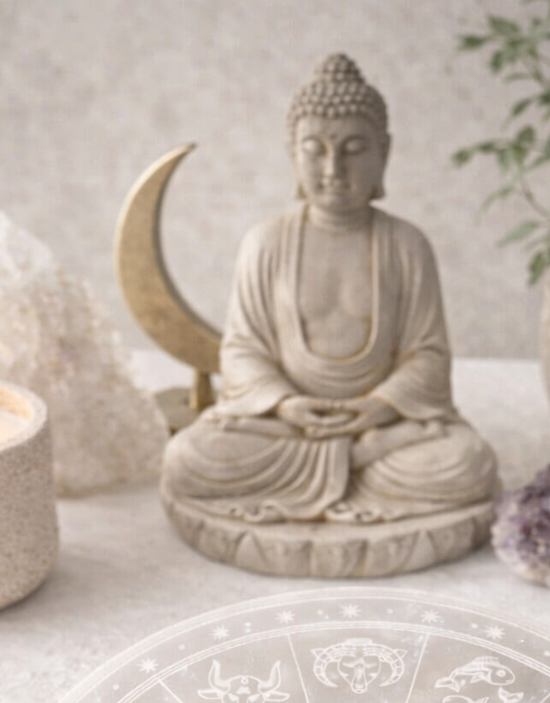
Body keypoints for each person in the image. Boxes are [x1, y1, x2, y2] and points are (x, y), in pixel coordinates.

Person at [161, 53, 498, 526]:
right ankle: (354, 462)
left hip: (381, 425)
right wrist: (286, 405)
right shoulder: (265, 243)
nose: (333, 167)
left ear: (384, 152)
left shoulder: (406, 245)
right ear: (292, 153)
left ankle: (359, 456)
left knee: (468, 463)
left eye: (355, 149)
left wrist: (378, 409)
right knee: (187, 459)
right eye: (314, 149)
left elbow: (428, 355)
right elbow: (242, 350)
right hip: (288, 428)